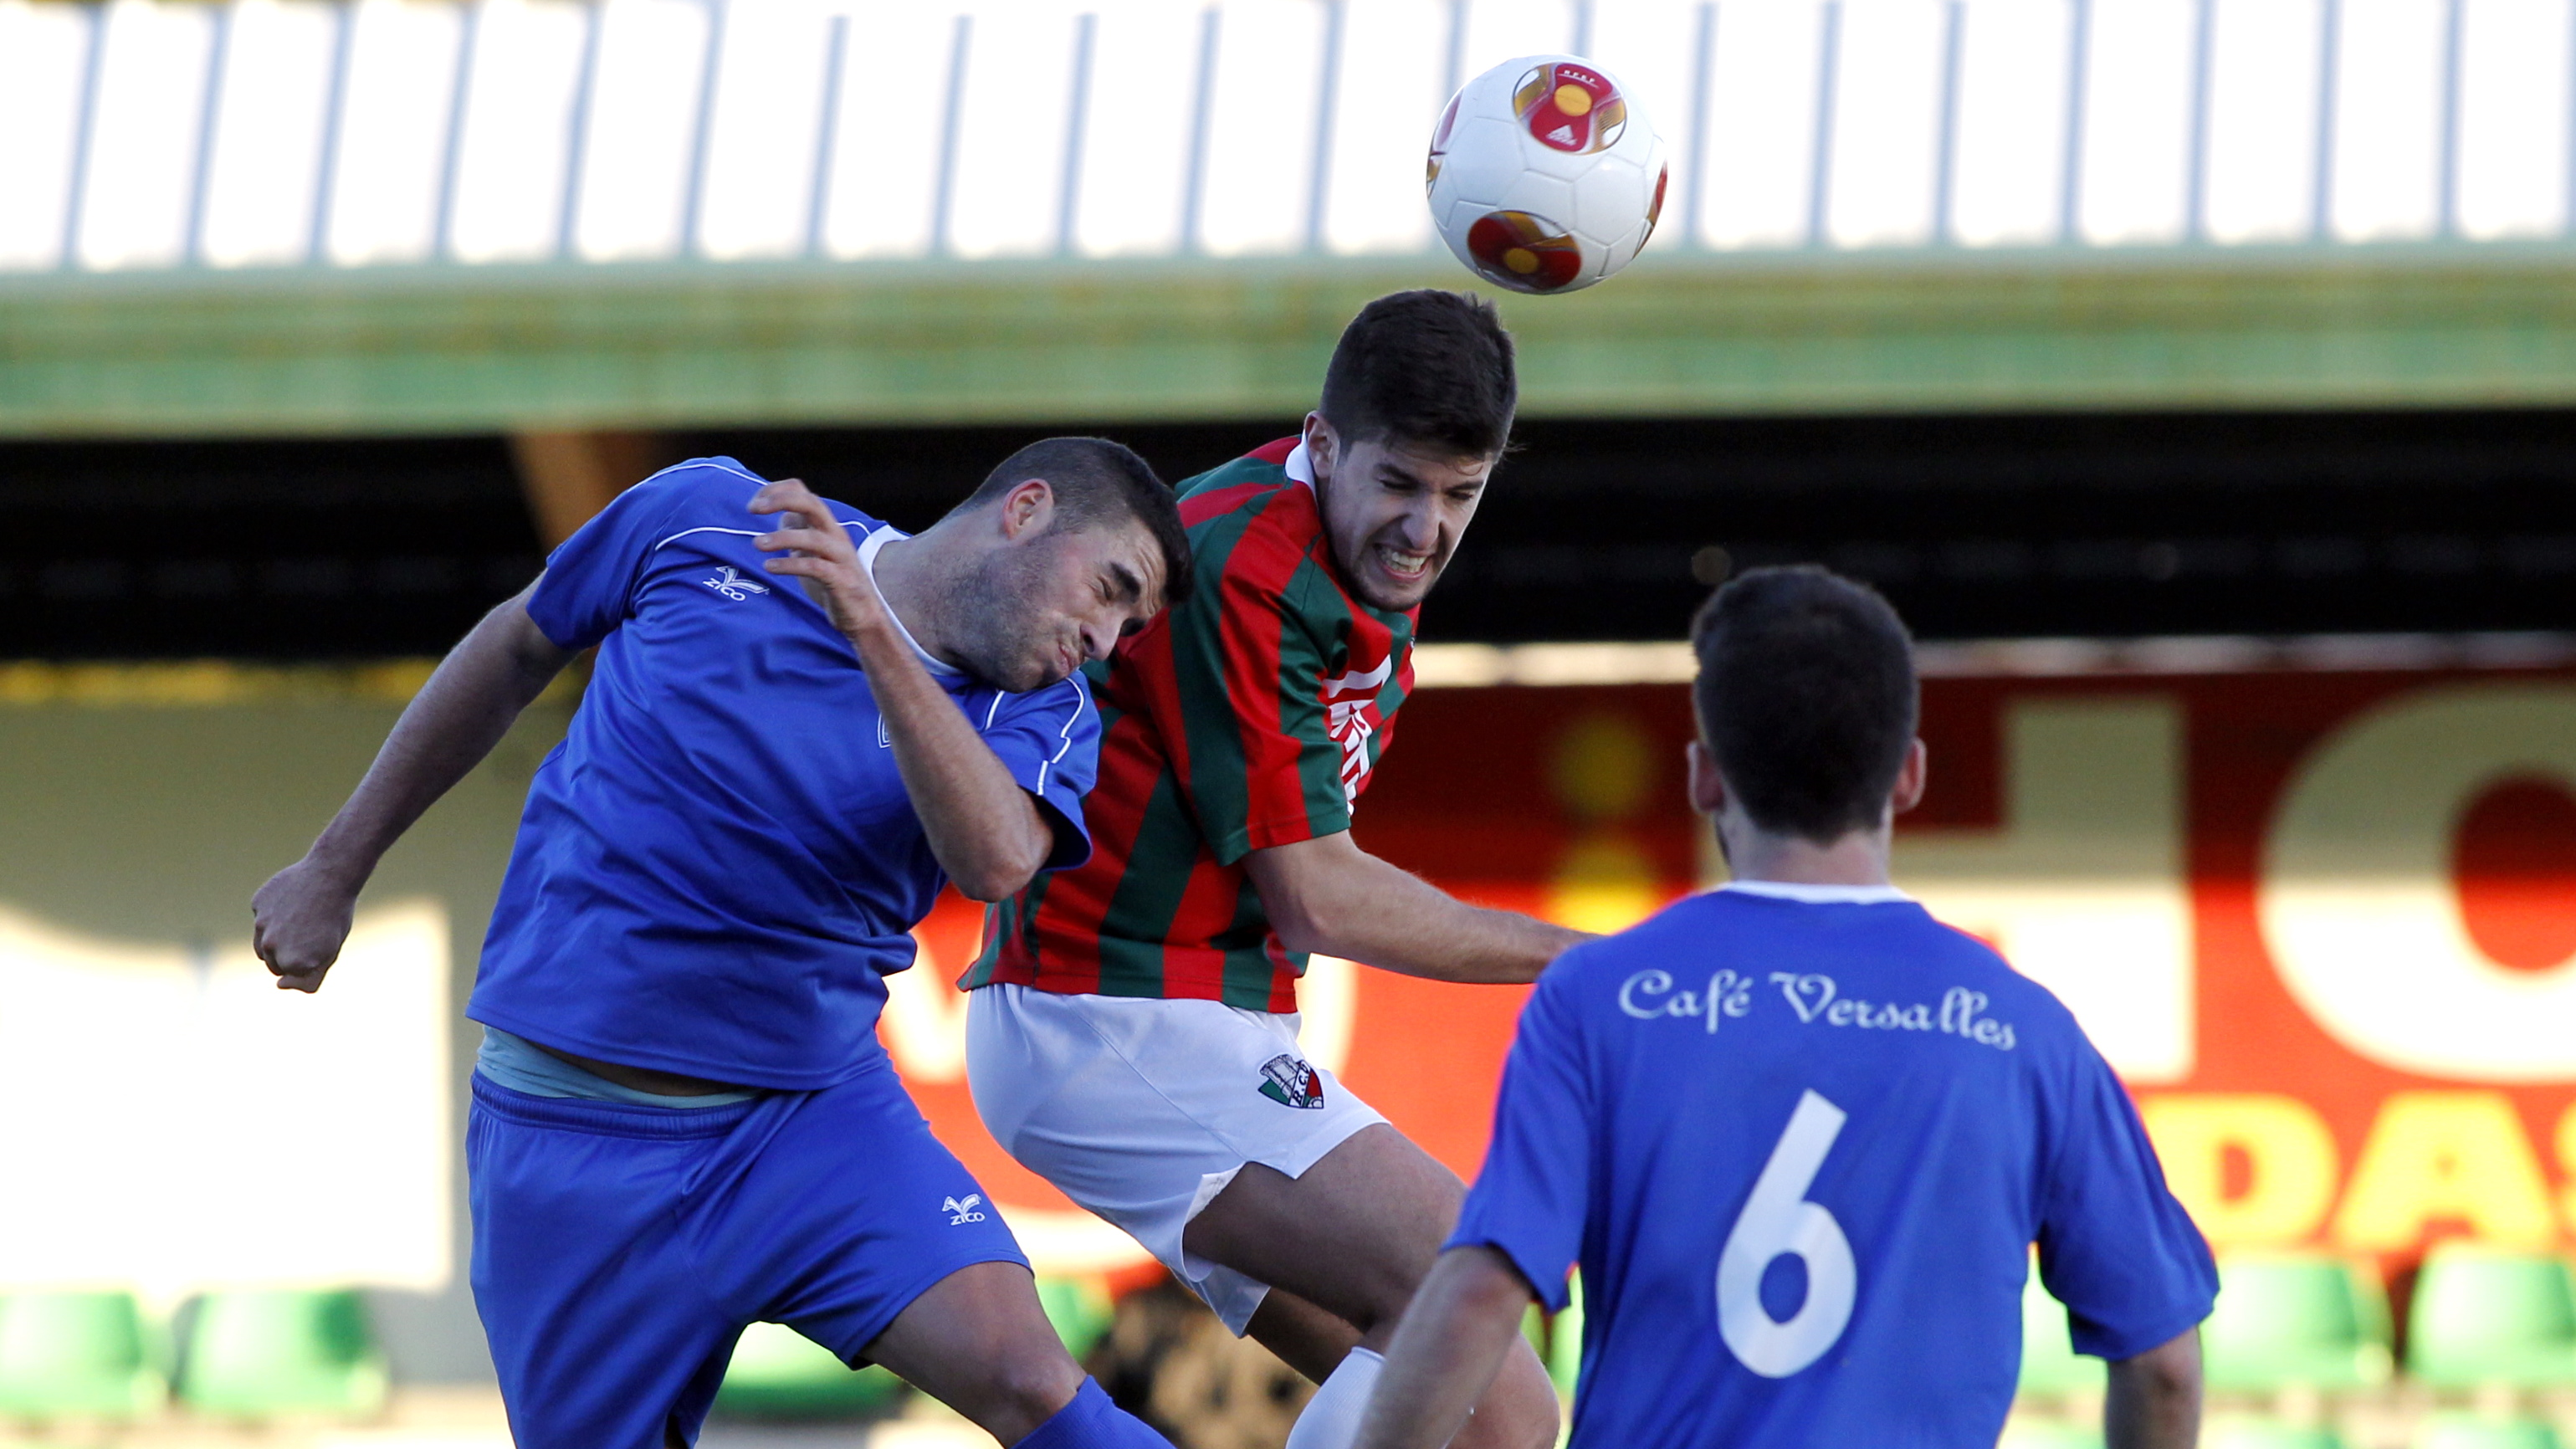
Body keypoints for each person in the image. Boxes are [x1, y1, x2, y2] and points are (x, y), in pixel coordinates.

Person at [249, 440, 1196, 1449]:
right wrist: (333, 868)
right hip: (567, 1138)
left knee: (1029, 1380)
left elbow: (995, 860)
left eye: (1126, 626)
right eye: (1109, 588)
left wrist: (872, 631)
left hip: (807, 1126)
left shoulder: (1043, 711)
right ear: (1026, 509)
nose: (1101, 636)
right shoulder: (705, 514)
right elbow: (516, 646)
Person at [1352, 565, 2216, 1449]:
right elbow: (2164, 1365)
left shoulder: (1599, 998)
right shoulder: (2025, 1032)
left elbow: (1480, 1296)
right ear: (1909, 775)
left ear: (1703, 777)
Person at [960, 290, 1582, 1449]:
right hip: (1106, 1018)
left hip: (1191, 1026)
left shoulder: (1357, 561)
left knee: (1495, 1411)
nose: (1423, 529)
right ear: (1323, 442)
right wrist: (1591, 963)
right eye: (1397, 484)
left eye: (1461, 495)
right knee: (1468, 1288)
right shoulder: (1245, 560)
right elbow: (1319, 893)